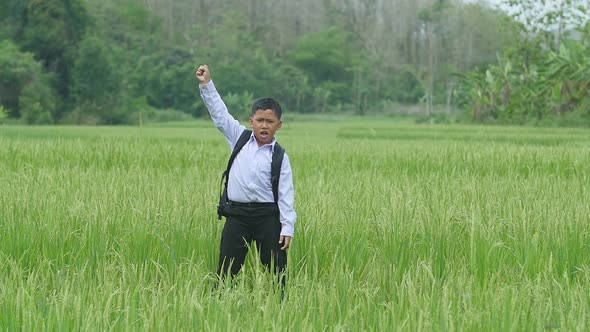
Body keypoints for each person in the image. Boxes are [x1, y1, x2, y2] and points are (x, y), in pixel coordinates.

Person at [195, 64, 297, 287]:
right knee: (226, 270)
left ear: (278, 125)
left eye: (270, 122)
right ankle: (219, 304)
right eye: (260, 120)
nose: (264, 126)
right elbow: (220, 114)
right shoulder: (239, 139)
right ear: (251, 122)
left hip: (268, 217)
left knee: (277, 270)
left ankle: (280, 305)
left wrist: (287, 227)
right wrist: (206, 85)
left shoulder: (280, 156)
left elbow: (286, 195)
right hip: (237, 216)